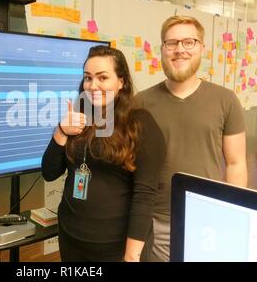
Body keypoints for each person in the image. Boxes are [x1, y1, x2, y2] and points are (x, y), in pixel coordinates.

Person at [134, 15, 248, 262]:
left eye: (189, 42)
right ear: (162, 49)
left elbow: (236, 163)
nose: (179, 50)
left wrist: (231, 215)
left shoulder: (226, 100)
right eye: (171, 43)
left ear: (201, 48)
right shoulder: (141, 102)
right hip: (155, 220)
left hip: (207, 217)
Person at [41, 45, 166, 262]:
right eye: (88, 78)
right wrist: (62, 131)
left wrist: (132, 256)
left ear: (121, 82)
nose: (93, 85)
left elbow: (144, 196)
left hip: (116, 248)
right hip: (72, 238)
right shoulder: (79, 116)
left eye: (102, 78)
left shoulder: (140, 124)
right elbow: (49, 172)